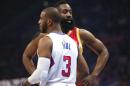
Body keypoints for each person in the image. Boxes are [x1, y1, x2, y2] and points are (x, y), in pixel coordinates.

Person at [22, 7, 88, 86]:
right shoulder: (73, 42)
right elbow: (84, 71)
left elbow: (41, 73)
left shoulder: (46, 40)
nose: (39, 22)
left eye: (41, 19)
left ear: (49, 22)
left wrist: (26, 83)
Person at [54, 0, 109, 85]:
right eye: (65, 12)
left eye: (70, 12)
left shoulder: (80, 33)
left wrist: (93, 75)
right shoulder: (47, 37)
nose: (69, 15)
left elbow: (103, 51)